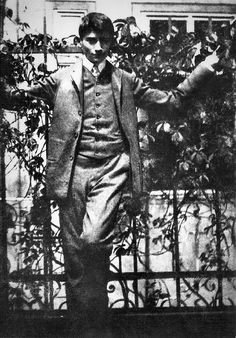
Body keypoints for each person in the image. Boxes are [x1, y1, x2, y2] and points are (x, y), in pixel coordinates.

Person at [1, 12, 219, 337]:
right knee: (75, 261)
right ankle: (86, 331)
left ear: (111, 43)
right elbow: (14, 98)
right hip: (73, 174)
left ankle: (96, 326)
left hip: (111, 169)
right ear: (80, 43)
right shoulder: (60, 80)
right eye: (91, 40)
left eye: (104, 40)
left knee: (92, 240)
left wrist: (203, 70)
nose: (98, 47)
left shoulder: (125, 81)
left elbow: (172, 102)